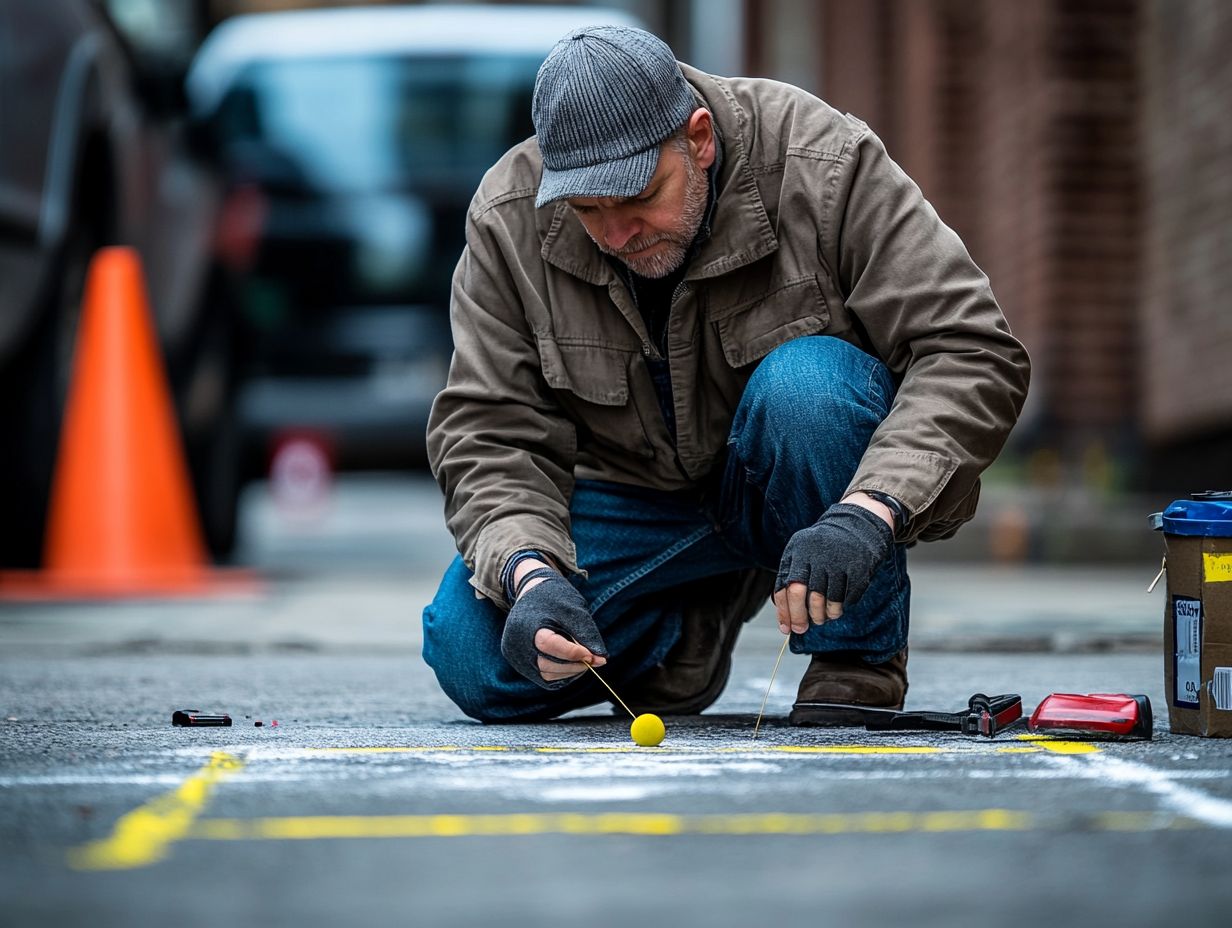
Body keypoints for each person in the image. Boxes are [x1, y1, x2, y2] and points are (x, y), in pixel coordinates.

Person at [422, 25, 1029, 725]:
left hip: (808, 484)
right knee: (472, 653)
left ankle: (855, 658)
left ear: (699, 139)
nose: (618, 233)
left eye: (639, 196)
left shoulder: (823, 163)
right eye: (590, 210)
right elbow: (490, 429)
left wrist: (869, 513)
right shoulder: (509, 218)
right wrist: (530, 574)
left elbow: (972, 347)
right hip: (641, 505)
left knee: (810, 385)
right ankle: (685, 636)